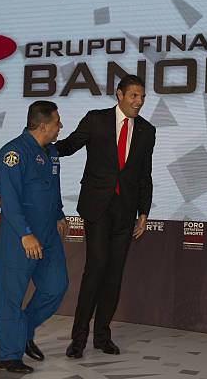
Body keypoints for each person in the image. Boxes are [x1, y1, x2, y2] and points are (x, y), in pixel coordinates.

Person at [56, 74, 156, 358]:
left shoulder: (147, 131)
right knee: (96, 268)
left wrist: (144, 212)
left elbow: (144, 176)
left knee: (114, 274)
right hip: (96, 207)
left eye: (143, 97)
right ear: (120, 95)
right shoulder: (96, 119)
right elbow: (69, 145)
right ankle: (78, 338)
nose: (139, 101)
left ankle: (102, 336)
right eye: (134, 96)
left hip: (125, 211)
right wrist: (41, 142)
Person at [0, 100, 69, 374]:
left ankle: (21, 330)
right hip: (20, 237)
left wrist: (60, 214)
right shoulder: (13, 152)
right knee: (9, 296)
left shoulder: (53, 153)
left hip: (48, 234)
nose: (60, 127)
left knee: (56, 286)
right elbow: (10, 201)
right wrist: (25, 234)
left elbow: (54, 188)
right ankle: (8, 355)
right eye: (57, 122)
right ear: (43, 125)